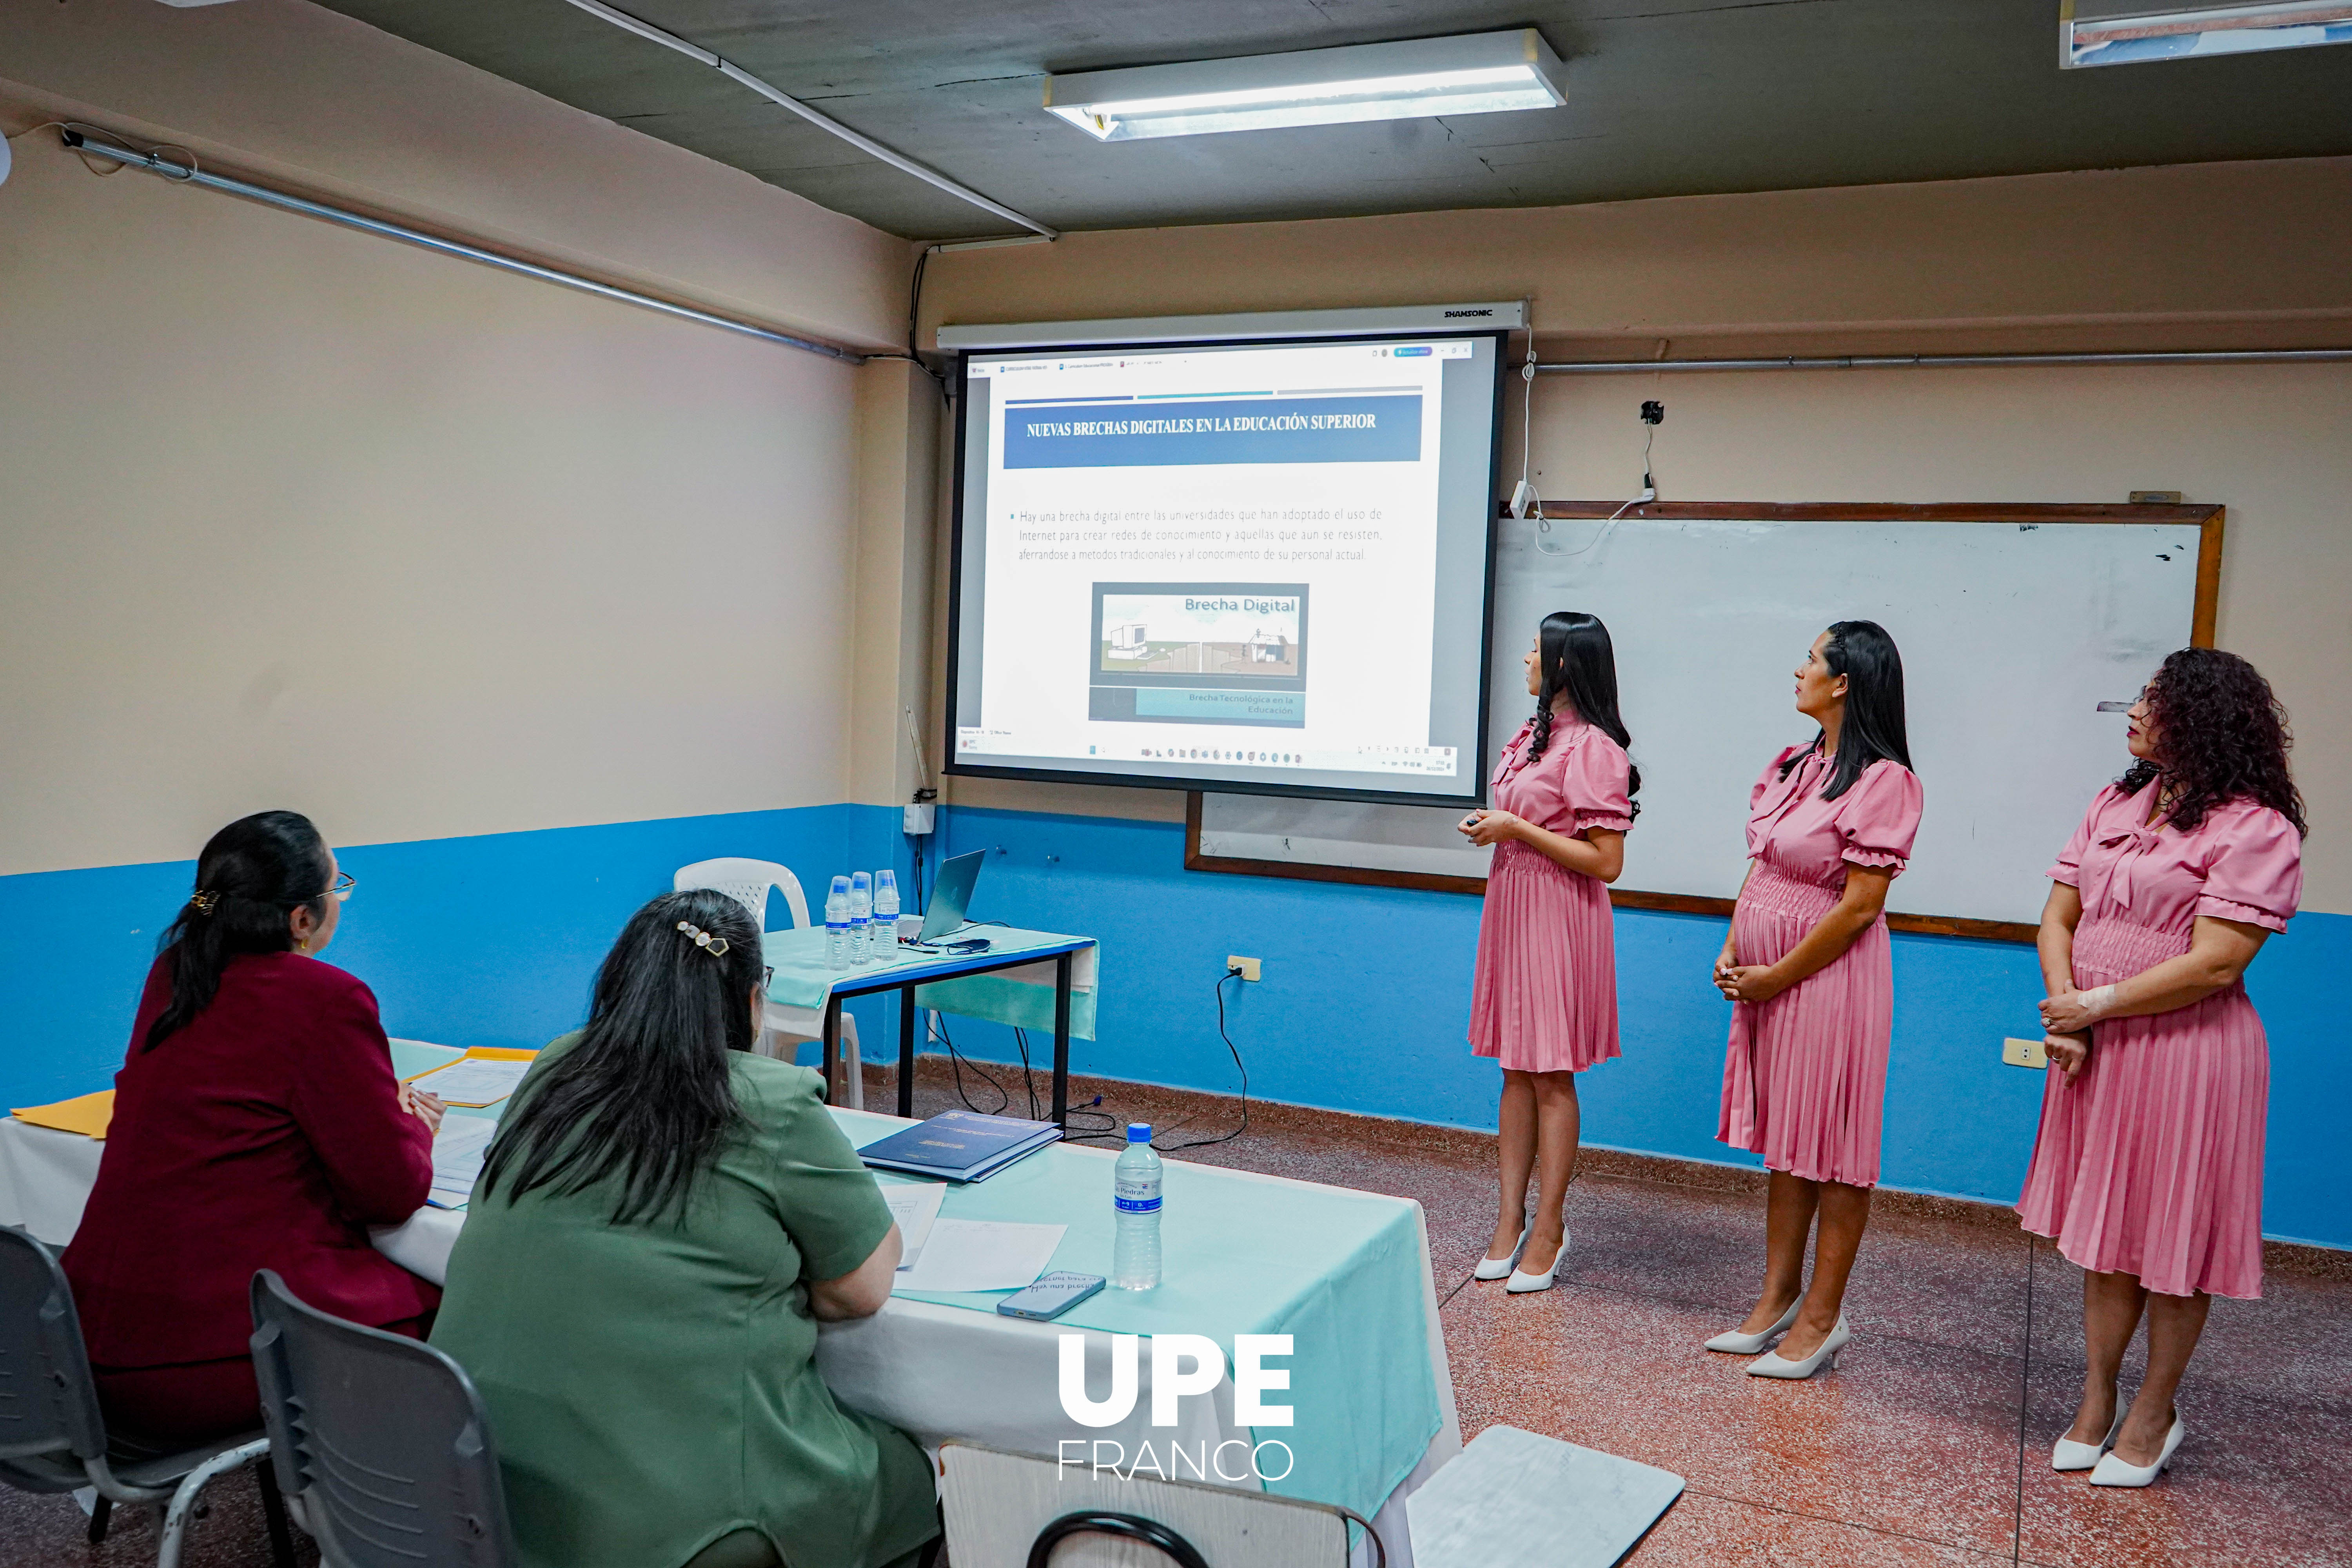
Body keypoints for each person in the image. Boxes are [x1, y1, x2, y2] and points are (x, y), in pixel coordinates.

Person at [430, 889, 938, 1568]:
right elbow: (863, 1287)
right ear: (754, 1002)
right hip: (676, 1521)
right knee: (904, 1475)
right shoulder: (770, 1100)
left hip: (481, 1487)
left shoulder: (557, 1065)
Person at [63, 810, 443, 1443]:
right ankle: (398, 1521)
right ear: (301, 918)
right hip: (202, 1361)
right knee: (468, 1305)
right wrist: (413, 1127)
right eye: (336, 886)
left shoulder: (178, 972)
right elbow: (388, 1191)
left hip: (84, 1347)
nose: (339, 901)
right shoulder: (325, 998)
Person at [2018, 648, 2303, 1488]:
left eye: (2150, 699)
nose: (2133, 712)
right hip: (2097, 1041)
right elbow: (2056, 916)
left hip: (2190, 1055)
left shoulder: (2258, 827)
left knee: (2173, 1240)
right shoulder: (2117, 798)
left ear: (2204, 716)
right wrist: (2066, 1009)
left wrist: (2096, 1007)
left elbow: (2216, 963)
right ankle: (2097, 1398)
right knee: (2107, 1237)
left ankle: (2156, 1411)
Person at [1708, 621, 1922, 1378]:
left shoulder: (1886, 781)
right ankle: (1776, 1299)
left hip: (1829, 981)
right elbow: (1762, 863)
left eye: (1810, 660)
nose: (1796, 670)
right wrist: (1737, 943)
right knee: (1788, 1146)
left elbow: (1860, 906)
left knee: (1833, 1149)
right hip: (1769, 976)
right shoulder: (1796, 764)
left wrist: (1776, 973)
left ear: (1844, 683)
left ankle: (1824, 1317)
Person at [1459, 611, 1639, 1295]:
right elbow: (1521, 816)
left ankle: (1551, 1227)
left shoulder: (1594, 747)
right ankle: (1509, 1218)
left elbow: (1607, 861)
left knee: (1551, 1075)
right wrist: (1496, 825)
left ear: (1565, 664)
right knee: (1514, 1068)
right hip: (1513, 903)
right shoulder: (1533, 735)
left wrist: (1517, 829)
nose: (1525, 659)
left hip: (1560, 914)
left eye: (1535, 650)